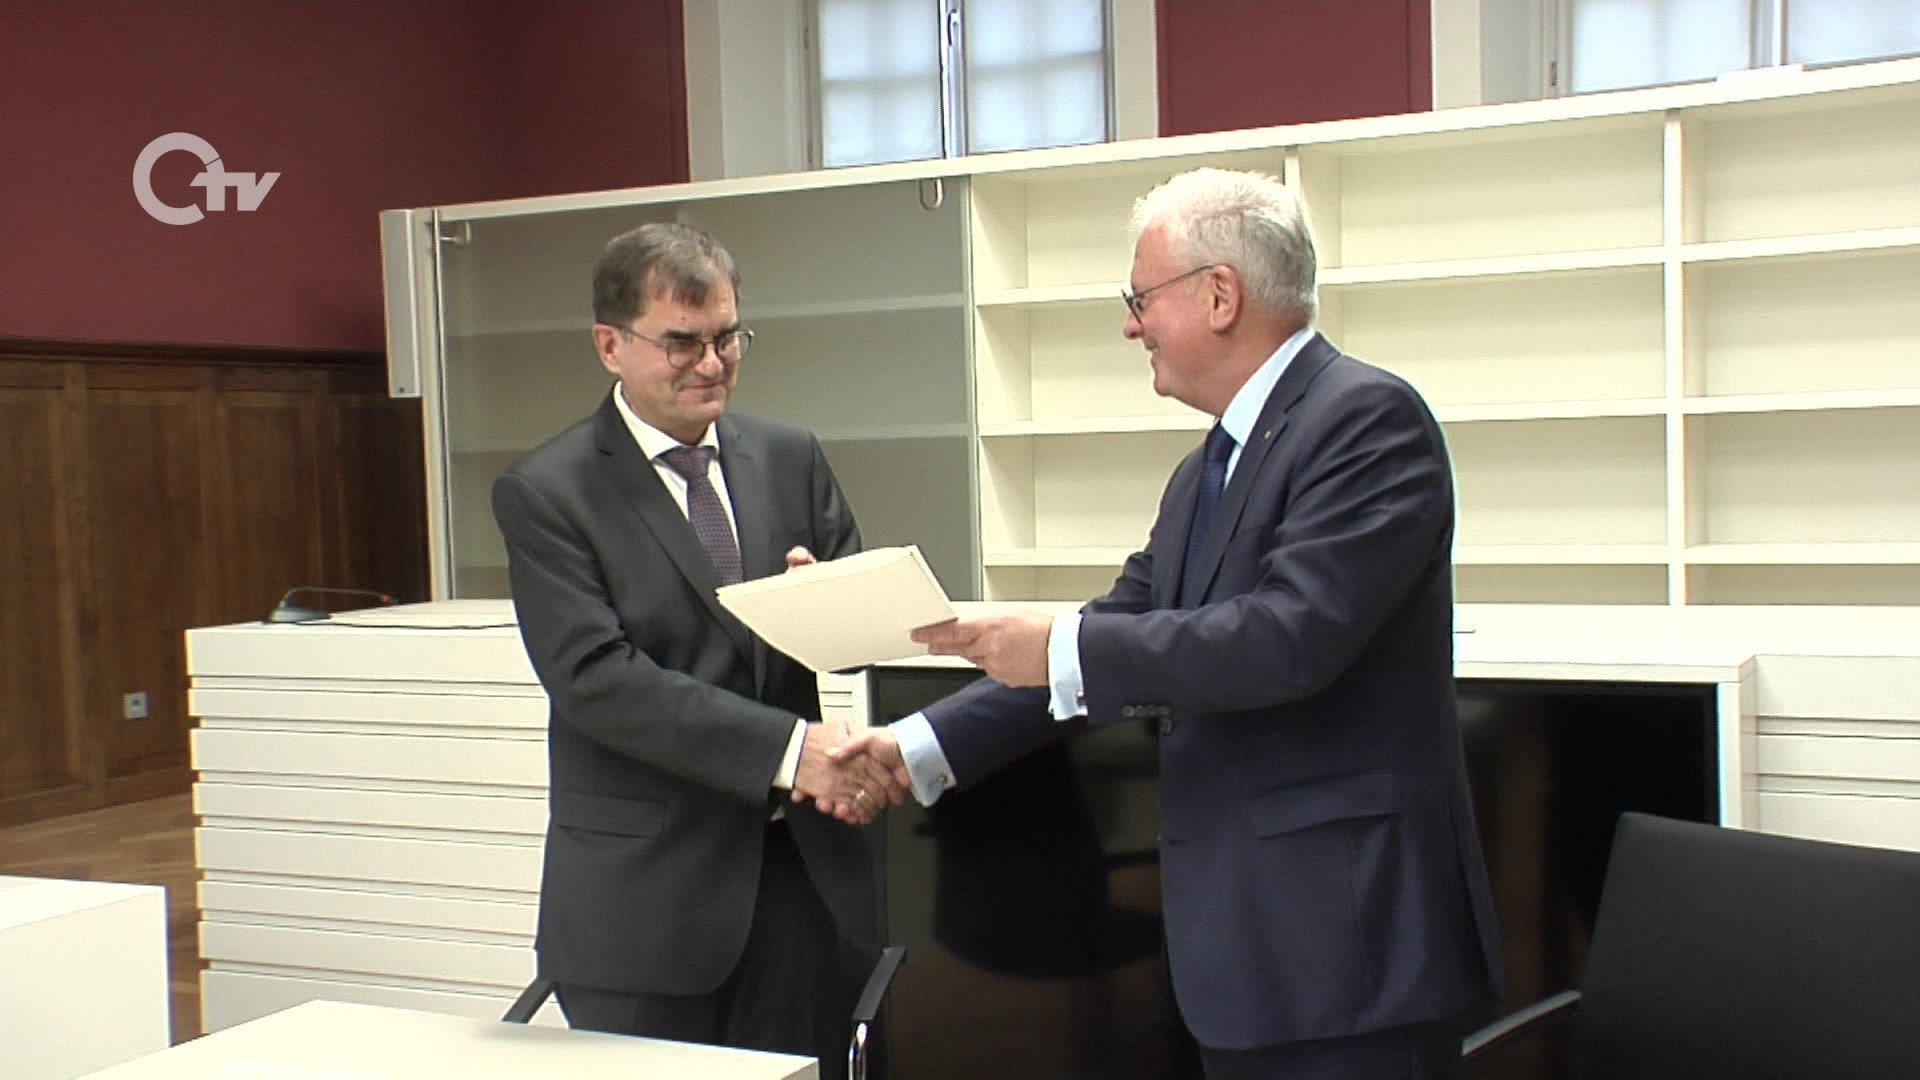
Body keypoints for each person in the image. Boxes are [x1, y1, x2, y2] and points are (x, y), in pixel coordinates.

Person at [832, 168, 1502, 1079]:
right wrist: (912, 748)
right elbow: (1124, 628)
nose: (1130, 325)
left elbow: (1287, 638)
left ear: (1220, 294)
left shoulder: (1365, 420)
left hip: (1349, 949)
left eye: (1140, 299)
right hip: (1251, 956)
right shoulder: (1205, 471)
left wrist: (1058, 644)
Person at [491, 221, 906, 1078]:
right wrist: (791, 752)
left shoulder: (789, 457)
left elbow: (858, 637)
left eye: (728, 337)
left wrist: (824, 607)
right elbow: (597, 681)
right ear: (610, 345)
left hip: (801, 887)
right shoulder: (548, 491)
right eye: (682, 342)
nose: (712, 364)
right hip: (645, 904)